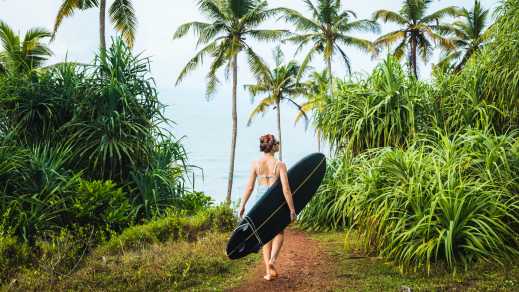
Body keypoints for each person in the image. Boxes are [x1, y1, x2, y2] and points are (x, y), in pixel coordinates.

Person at [238, 133, 297, 281]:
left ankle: (268, 272)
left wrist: (242, 205)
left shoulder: (255, 164)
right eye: (277, 143)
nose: (278, 145)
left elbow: (250, 187)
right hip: (275, 200)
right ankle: (272, 260)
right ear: (273, 146)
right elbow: (286, 189)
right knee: (279, 231)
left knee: (264, 235)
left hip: (261, 201)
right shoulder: (279, 164)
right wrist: (291, 209)